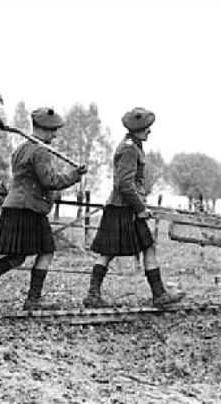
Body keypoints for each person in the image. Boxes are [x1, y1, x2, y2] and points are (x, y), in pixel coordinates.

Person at [0, 107, 86, 310]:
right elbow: (49, 180)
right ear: (42, 129)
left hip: (15, 205)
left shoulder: (22, 149)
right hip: (29, 207)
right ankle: (33, 300)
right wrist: (74, 176)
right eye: (53, 130)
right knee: (46, 251)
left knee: (18, 256)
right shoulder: (40, 150)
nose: (55, 134)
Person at [84, 107, 185, 308]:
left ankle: (159, 294)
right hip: (123, 208)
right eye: (147, 128)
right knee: (109, 252)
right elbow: (124, 184)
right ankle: (93, 295)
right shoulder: (130, 149)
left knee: (146, 247)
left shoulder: (134, 146)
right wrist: (139, 208)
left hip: (126, 207)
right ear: (139, 129)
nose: (150, 131)